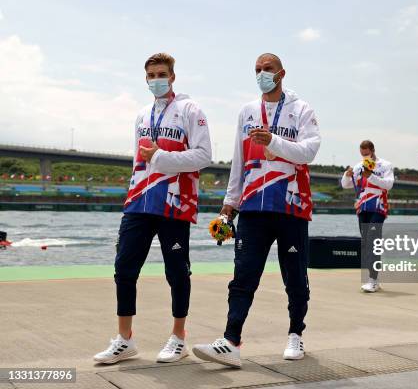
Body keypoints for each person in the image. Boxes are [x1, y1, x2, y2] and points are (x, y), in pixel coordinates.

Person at [193, 53, 321, 367]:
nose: (262, 74)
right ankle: (230, 341)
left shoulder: (302, 110)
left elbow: (309, 151)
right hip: (252, 207)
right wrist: (227, 209)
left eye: (268, 69)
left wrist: (273, 140)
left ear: (282, 73)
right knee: (243, 276)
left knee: (295, 277)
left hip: (290, 207)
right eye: (258, 70)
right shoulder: (248, 112)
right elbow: (239, 162)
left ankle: (295, 334)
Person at [93, 53, 212, 364]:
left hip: (174, 201)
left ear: (172, 76)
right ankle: (125, 340)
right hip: (139, 201)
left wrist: (160, 157)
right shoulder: (142, 115)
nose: (156, 79)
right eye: (151, 75)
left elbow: (204, 155)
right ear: (145, 79)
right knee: (124, 268)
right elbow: (139, 159)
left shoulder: (191, 110)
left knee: (176, 272)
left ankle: (178, 337)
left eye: (161, 74)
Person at [341, 140, 394, 293]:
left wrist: (370, 176)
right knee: (366, 243)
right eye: (362, 154)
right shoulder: (358, 166)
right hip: (362, 208)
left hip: (378, 207)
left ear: (372, 150)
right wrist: (347, 175)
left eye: (367, 153)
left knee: (372, 241)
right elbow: (346, 185)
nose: (365, 156)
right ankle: (374, 279)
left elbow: (388, 184)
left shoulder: (385, 165)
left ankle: (373, 280)